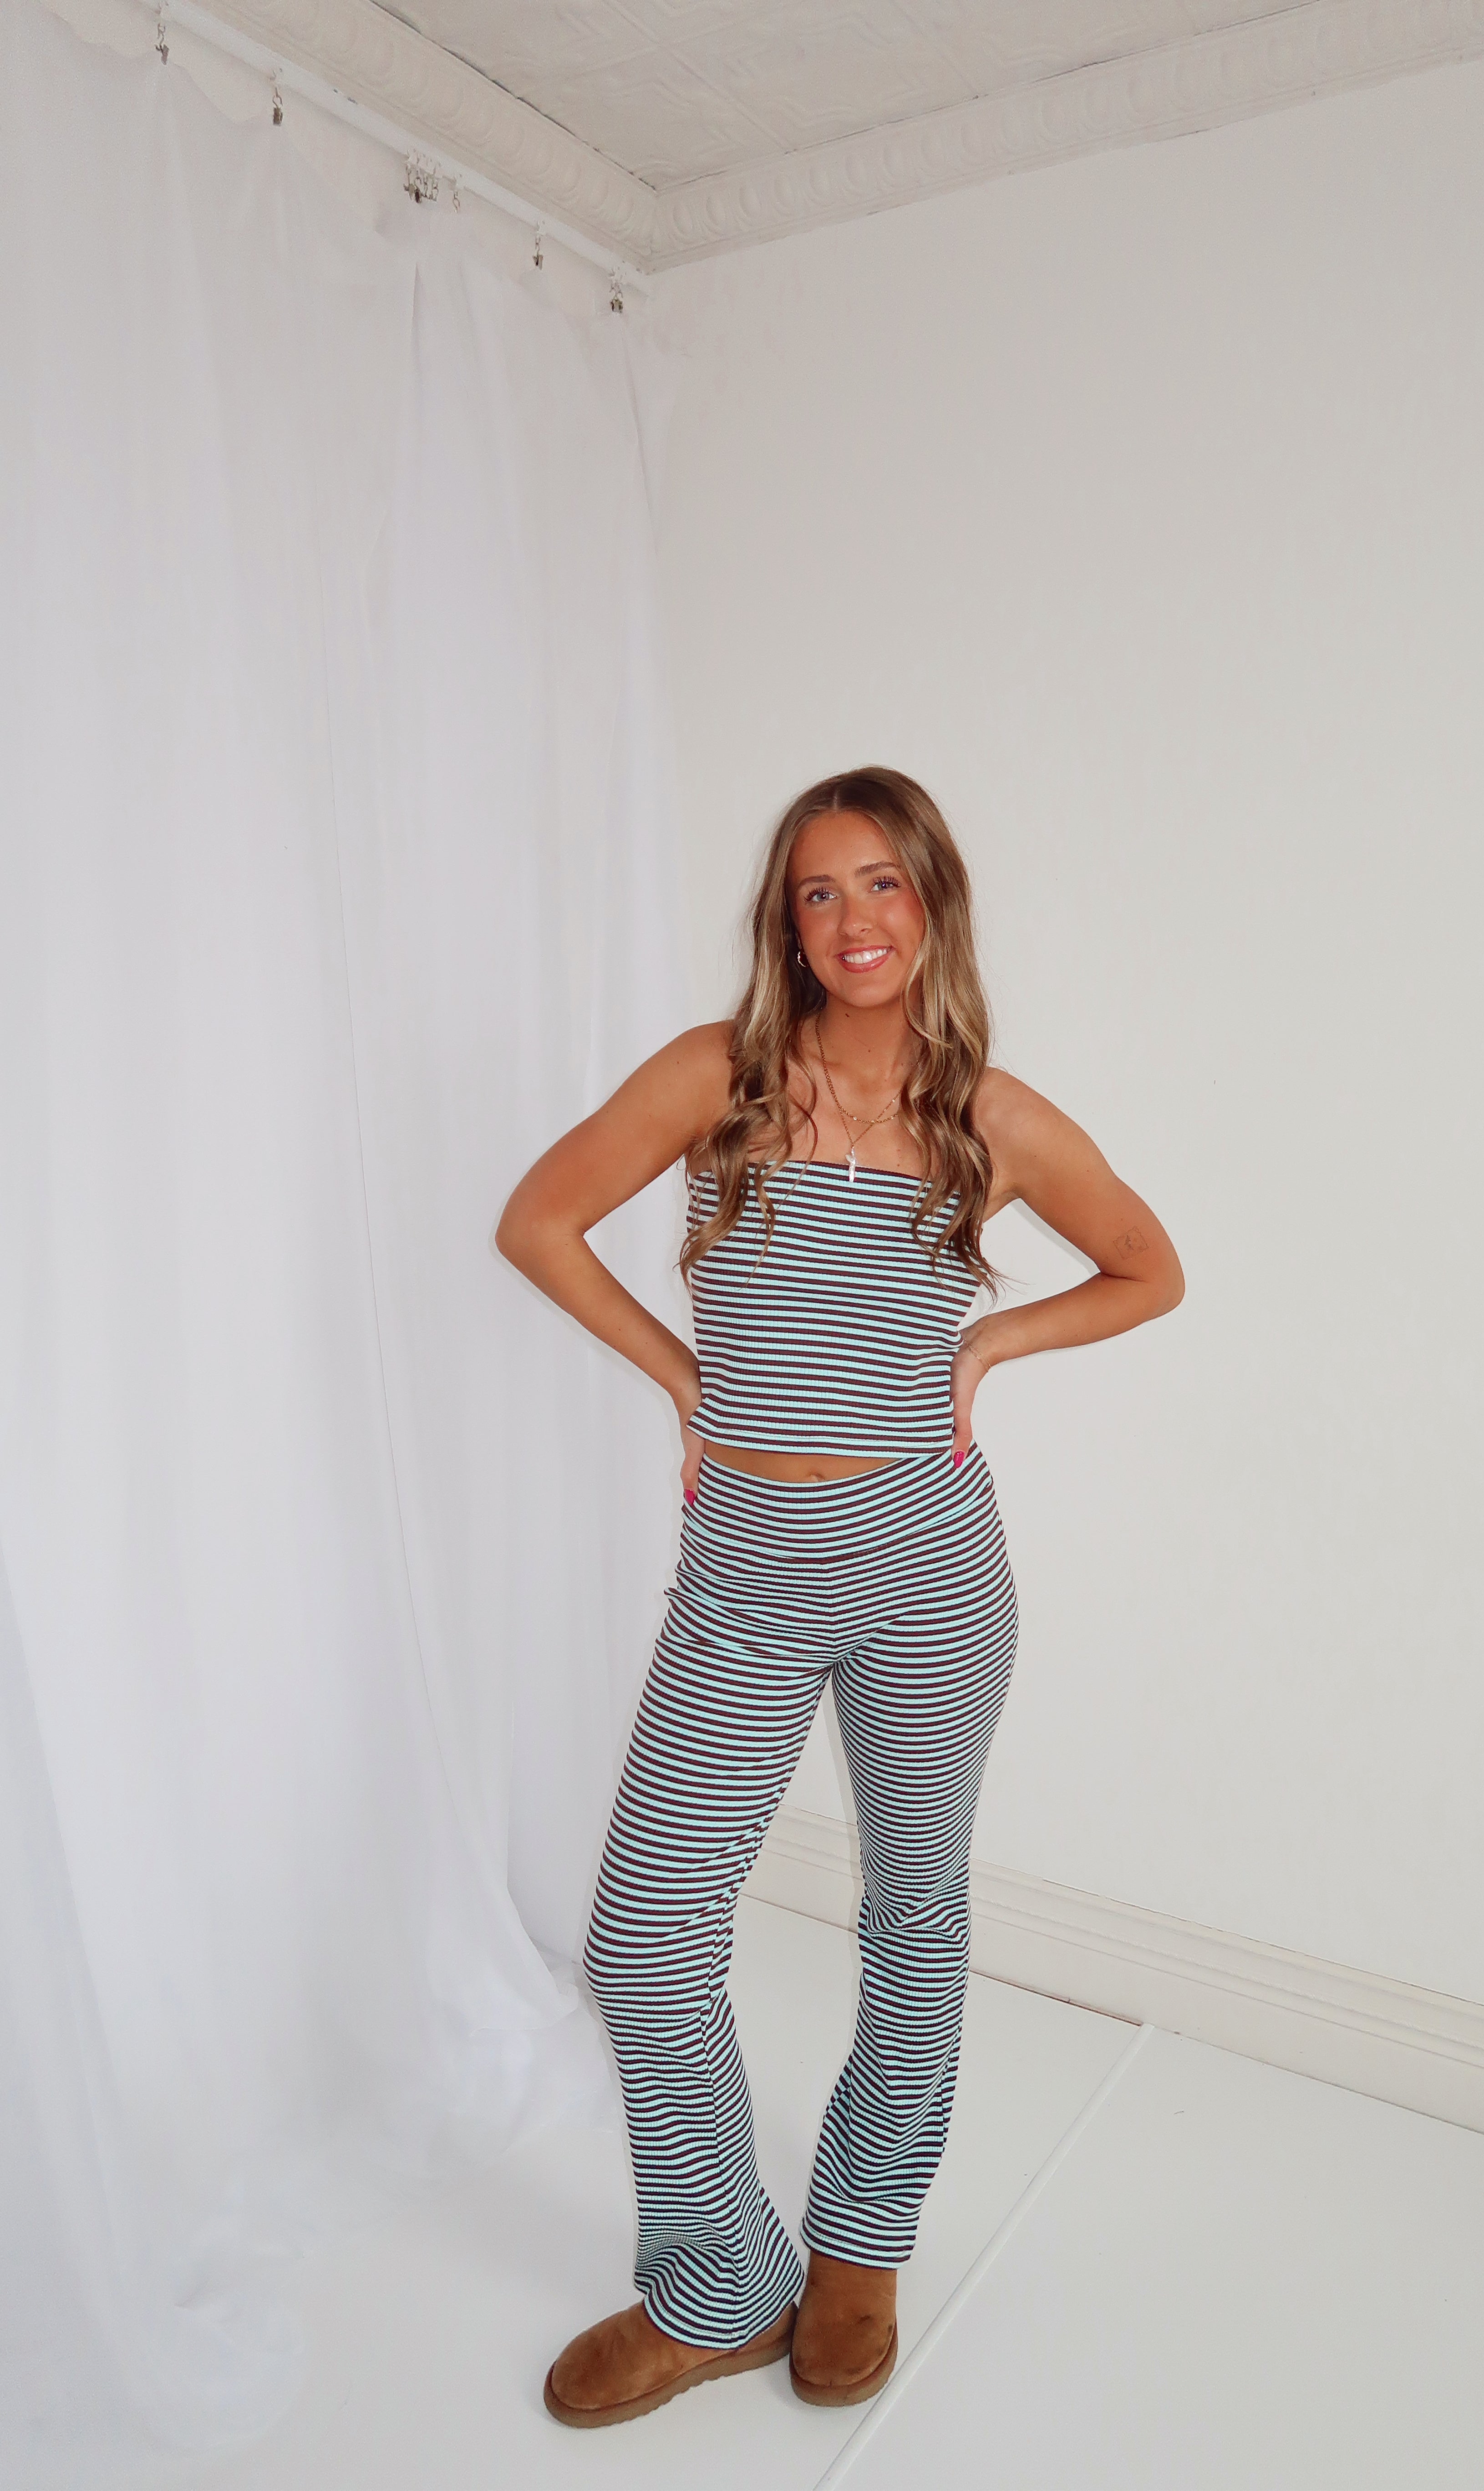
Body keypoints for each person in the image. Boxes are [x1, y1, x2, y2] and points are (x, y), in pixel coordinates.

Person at [496, 766, 1184, 2430]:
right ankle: (725, 2283)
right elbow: (540, 1222)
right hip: (745, 1563)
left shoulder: (992, 1118)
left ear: (932, 902)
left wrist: (990, 1341)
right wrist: (688, 1382)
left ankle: (863, 2243)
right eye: (819, 891)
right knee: (644, 1938)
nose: (852, 919)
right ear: (785, 923)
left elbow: (1150, 1268)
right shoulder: (717, 1080)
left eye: (882, 883)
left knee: (914, 1909)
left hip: (929, 1566)